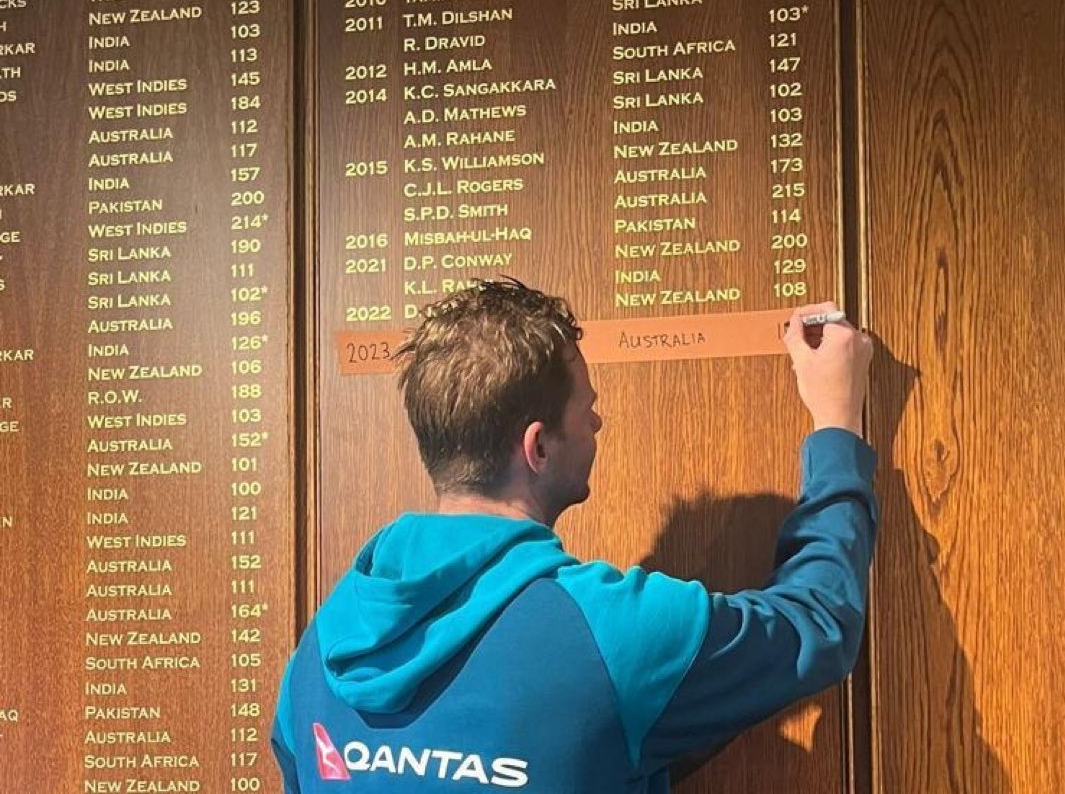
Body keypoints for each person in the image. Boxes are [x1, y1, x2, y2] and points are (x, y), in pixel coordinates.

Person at [271, 279, 876, 793]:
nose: (596, 419)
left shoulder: (317, 656)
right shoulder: (614, 633)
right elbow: (817, 622)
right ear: (536, 446)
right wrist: (837, 421)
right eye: (586, 405)